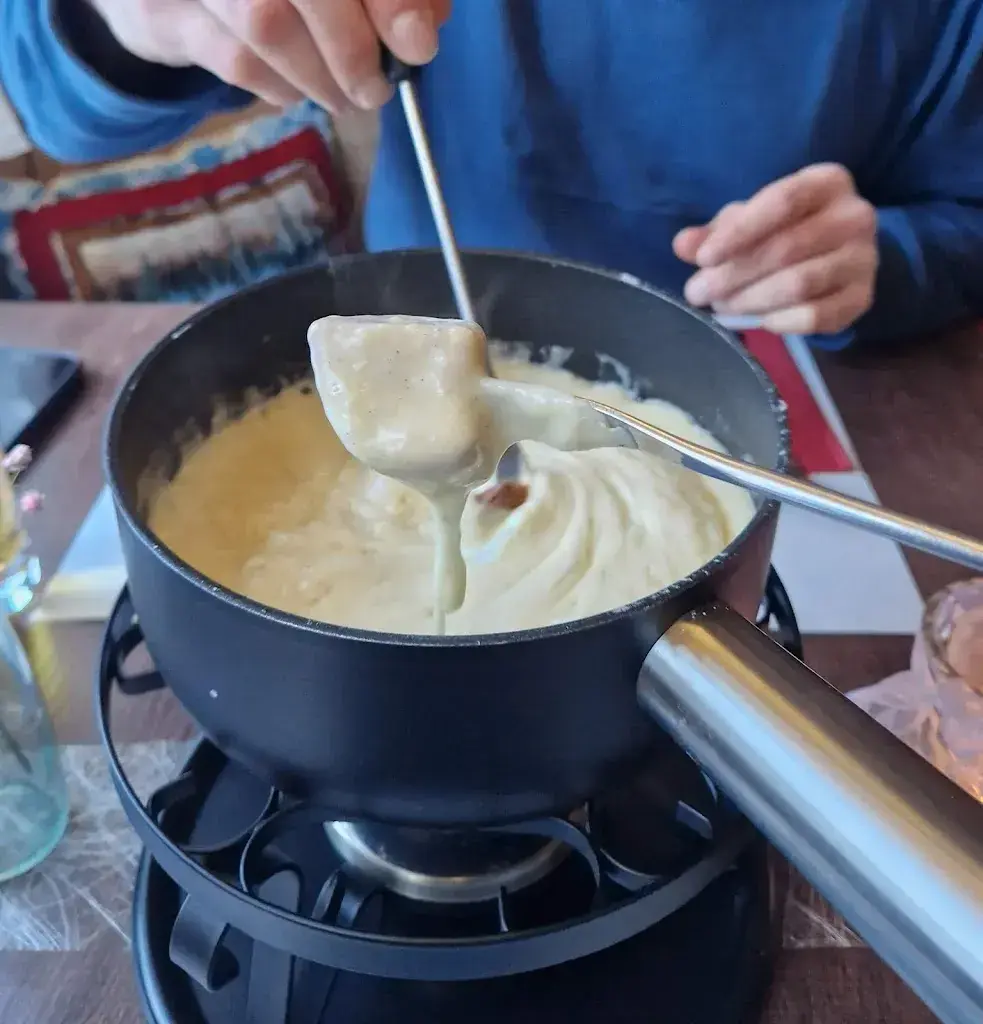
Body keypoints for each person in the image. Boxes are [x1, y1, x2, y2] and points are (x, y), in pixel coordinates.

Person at [2, 0, 981, 347]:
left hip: (771, 391)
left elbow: (966, 221)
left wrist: (881, 260)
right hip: (419, 342)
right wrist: (124, 18)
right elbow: (49, 97)